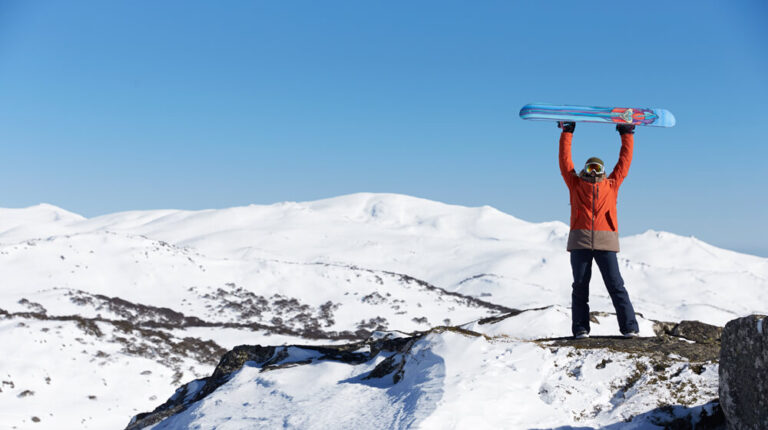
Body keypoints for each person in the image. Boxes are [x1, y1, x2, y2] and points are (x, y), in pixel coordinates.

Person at [557, 121, 639, 339]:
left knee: (616, 285)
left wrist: (626, 134)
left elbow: (624, 162)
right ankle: (581, 329)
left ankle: (630, 328)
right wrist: (567, 133)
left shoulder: (611, 185)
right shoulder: (575, 184)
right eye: (590, 168)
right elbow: (565, 162)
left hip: (606, 242)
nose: (593, 171)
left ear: (603, 171)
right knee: (580, 287)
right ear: (585, 169)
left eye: (597, 168)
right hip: (580, 242)